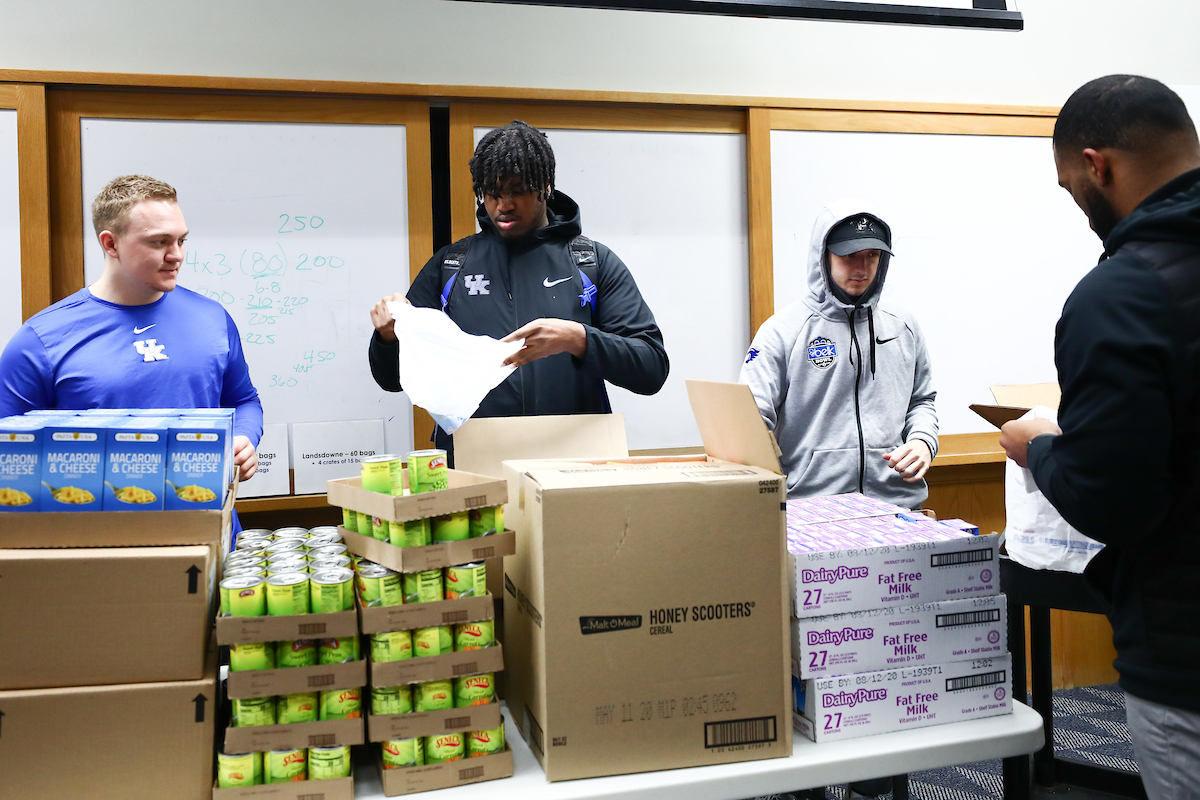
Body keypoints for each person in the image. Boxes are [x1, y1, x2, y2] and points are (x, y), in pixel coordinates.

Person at [999, 75, 1200, 800]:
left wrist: (1042, 447)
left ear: (1096, 166)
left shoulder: (1119, 295)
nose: (1076, 204)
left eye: (1067, 187)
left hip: (1184, 655)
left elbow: (1111, 499)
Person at [369, 120, 668, 455]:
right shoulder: (451, 265)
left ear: (546, 185)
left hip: (575, 462)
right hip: (476, 460)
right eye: (493, 193)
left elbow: (651, 368)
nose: (503, 205)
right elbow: (393, 380)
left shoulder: (591, 261)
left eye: (518, 191)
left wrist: (579, 339)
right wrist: (387, 337)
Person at [0, 175, 263, 483]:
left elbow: (244, 400)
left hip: (209, 519)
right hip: (98, 525)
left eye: (181, 240)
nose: (176, 254)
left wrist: (244, 438)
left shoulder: (213, 318)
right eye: (159, 242)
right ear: (111, 243)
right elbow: (11, 448)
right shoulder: (41, 339)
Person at [740, 200, 938, 509]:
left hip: (898, 508)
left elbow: (922, 401)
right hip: (810, 512)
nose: (861, 268)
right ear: (823, 256)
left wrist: (922, 441)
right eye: (849, 256)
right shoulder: (782, 331)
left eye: (872, 256)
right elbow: (750, 421)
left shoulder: (903, 326)